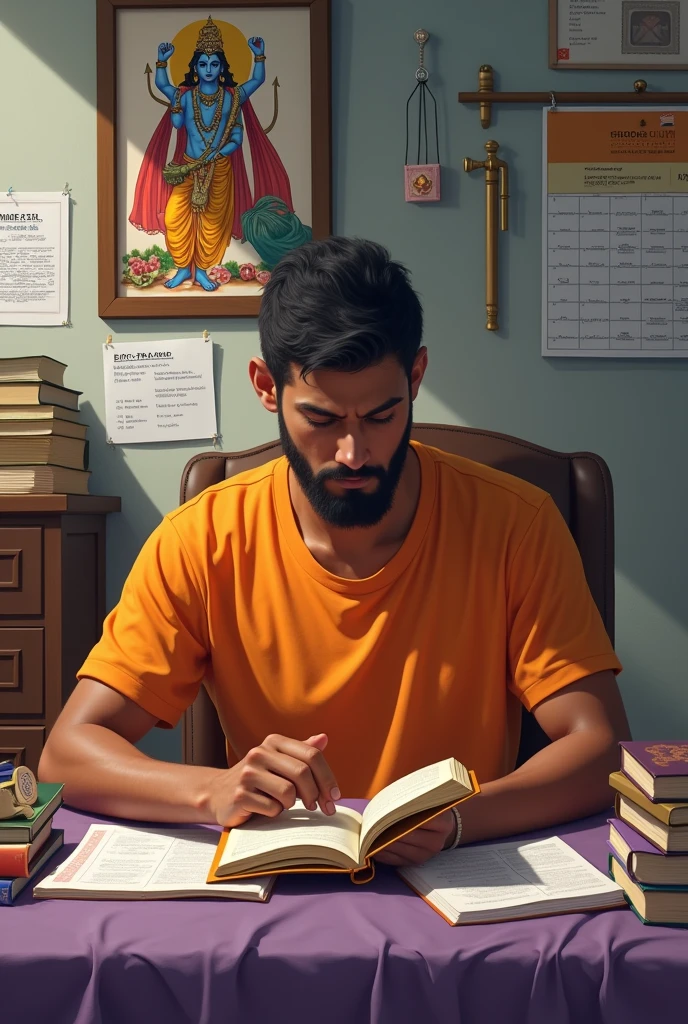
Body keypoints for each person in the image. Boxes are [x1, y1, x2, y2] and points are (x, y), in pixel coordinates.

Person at [39, 237, 630, 867]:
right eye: (321, 420)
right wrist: (209, 790)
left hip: (460, 876)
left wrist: (461, 820)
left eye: (381, 415)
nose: (354, 453)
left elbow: (601, 745)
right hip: (279, 889)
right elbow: (68, 751)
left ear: (417, 377)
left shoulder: (517, 524)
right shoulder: (202, 538)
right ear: (267, 387)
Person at [128, 16, 293, 291]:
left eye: (214, 64)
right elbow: (162, 86)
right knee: (174, 217)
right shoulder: (185, 95)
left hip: (219, 169)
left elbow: (256, 82)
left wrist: (259, 55)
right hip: (189, 168)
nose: (208, 69)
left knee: (213, 224)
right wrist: (161, 61)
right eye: (202, 64)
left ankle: (202, 271)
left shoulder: (232, 97)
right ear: (195, 67)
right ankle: (183, 269)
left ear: (221, 67)